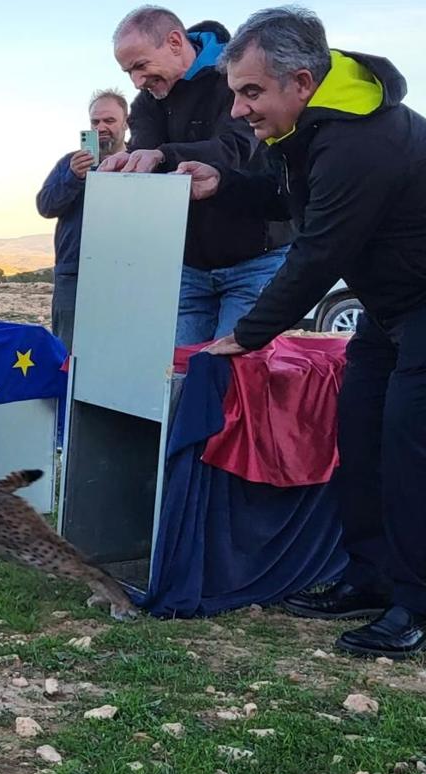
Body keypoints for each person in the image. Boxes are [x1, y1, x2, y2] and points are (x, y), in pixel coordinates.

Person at [180, 6, 426, 658]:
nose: (238, 110)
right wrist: (223, 181)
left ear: (302, 82)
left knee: (409, 455)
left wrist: (249, 334)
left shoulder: (362, 144)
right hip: (390, 312)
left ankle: (415, 604)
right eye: (235, 91)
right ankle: (371, 577)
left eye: (251, 92)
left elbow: (317, 252)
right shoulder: (318, 129)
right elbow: (290, 199)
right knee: (360, 436)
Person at [102, 6, 292, 347]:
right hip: (187, 268)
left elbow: (235, 148)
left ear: (175, 42)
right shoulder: (147, 102)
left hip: (255, 261)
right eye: (129, 71)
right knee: (178, 374)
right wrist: (127, 167)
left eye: (140, 66)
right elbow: (143, 154)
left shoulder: (235, 78)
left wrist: (162, 156)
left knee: (231, 378)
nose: (136, 81)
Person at [36, 89, 129, 350]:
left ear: (126, 122)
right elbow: (45, 206)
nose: (101, 128)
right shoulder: (70, 163)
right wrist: (74, 178)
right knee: (68, 351)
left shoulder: (139, 162)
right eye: (95, 122)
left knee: (117, 348)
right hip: (74, 274)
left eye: (109, 121)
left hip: (125, 272)